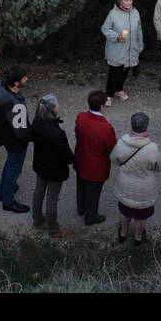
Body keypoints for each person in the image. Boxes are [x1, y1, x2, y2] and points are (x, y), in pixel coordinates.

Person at [110, 112, 161, 246]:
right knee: (141, 215)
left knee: (125, 212)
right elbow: (160, 167)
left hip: (124, 185)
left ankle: (123, 233)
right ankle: (138, 237)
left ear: (131, 125)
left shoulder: (122, 143)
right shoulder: (152, 148)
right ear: (147, 127)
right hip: (145, 188)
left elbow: (114, 159)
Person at [30, 94, 74, 236]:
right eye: (57, 104)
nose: (58, 106)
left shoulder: (36, 122)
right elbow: (67, 156)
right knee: (52, 199)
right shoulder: (57, 133)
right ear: (52, 110)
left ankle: (37, 220)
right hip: (55, 170)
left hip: (40, 165)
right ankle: (53, 229)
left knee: (38, 192)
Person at [73, 90, 116, 226]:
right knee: (93, 192)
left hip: (81, 160)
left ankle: (81, 209)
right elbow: (112, 148)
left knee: (81, 186)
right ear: (102, 107)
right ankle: (90, 217)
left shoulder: (80, 117)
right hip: (96, 167)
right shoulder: (106, 128)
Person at [0, 64, 31, 213]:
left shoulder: (1, 89)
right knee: (14, 169)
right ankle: (8, 200)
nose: (26, 79)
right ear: (16, 83)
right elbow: (21, 131)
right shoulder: (14, 105)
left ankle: (4, 190)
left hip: (6, 135)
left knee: (10, 164)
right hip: (16, 141)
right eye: (24, 78)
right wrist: (31, 136)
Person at [101, 0, 143, 104]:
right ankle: (109, 94)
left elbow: (139, 30)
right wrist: (117, 36)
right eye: (126, 0)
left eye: (130, 0)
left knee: (125, 70)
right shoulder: (113, 13)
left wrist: (140, 44)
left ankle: (119, 89)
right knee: (115, 71)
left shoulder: (135, 12)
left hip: (131, 48)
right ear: (120, 1)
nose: (129, 2)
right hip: (117, 48)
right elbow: (105, 29)